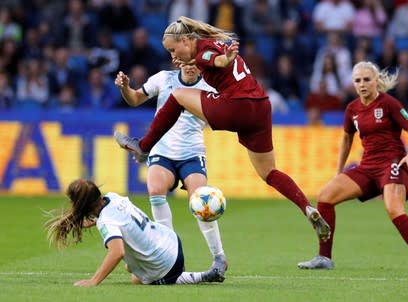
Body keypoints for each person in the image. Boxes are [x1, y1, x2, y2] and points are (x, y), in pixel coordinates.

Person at [113, 16, 331, 249]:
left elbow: (214, 60)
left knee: (177, 95)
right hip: (260, 108)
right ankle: (307, 207)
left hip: (236, 106)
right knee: (269, 172)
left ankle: (143, 146)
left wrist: (224, 60)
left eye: (173, 50)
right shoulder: (209, 44)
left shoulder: (202, 53)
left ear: (186, 40)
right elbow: (212, 59)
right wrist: (218, 59)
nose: (172, 57)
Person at [297, 61, 408, 273]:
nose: (362, 84)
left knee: (393, 208)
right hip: (367, 167)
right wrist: (338, 171)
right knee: (325, 195)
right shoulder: (352, 109)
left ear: (376, 81)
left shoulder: (389, 103)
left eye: (366, 80)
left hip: (392, 163)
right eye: (358, 81)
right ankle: (324, 257)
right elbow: (346, 140)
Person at [114, 64, 228, 275]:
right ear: (178, 61)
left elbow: (220, 118)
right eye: (187, 63)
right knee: (156, 191)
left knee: (201, 202)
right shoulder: (163, 78)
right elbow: (135, 99)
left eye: (195, 63)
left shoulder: (209, 87)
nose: (191, 67)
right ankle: (171, 257)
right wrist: (125, 88)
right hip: (162, 150)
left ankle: (219, 257)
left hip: (192, 153)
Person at [45, 179, 225, 286]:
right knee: (131, 268)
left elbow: (117, 252)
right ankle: (170, 269)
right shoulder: (113, 197)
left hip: (165, 261)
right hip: (171, 240)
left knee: (137, 279)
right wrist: (92, 222)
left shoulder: (106, 221)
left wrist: (94, 281)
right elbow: (121, 218)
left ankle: (204, 275)